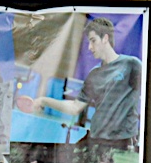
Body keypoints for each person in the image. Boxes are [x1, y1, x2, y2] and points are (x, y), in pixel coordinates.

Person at [32, 18, 142, 148]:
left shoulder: (132, 65)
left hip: (122, 143)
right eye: (89, 42)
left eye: (93, 41)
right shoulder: (94, 74)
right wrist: (44, 101)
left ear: (105, 38)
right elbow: (75, 107)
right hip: (96, 140)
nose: (90, 47)